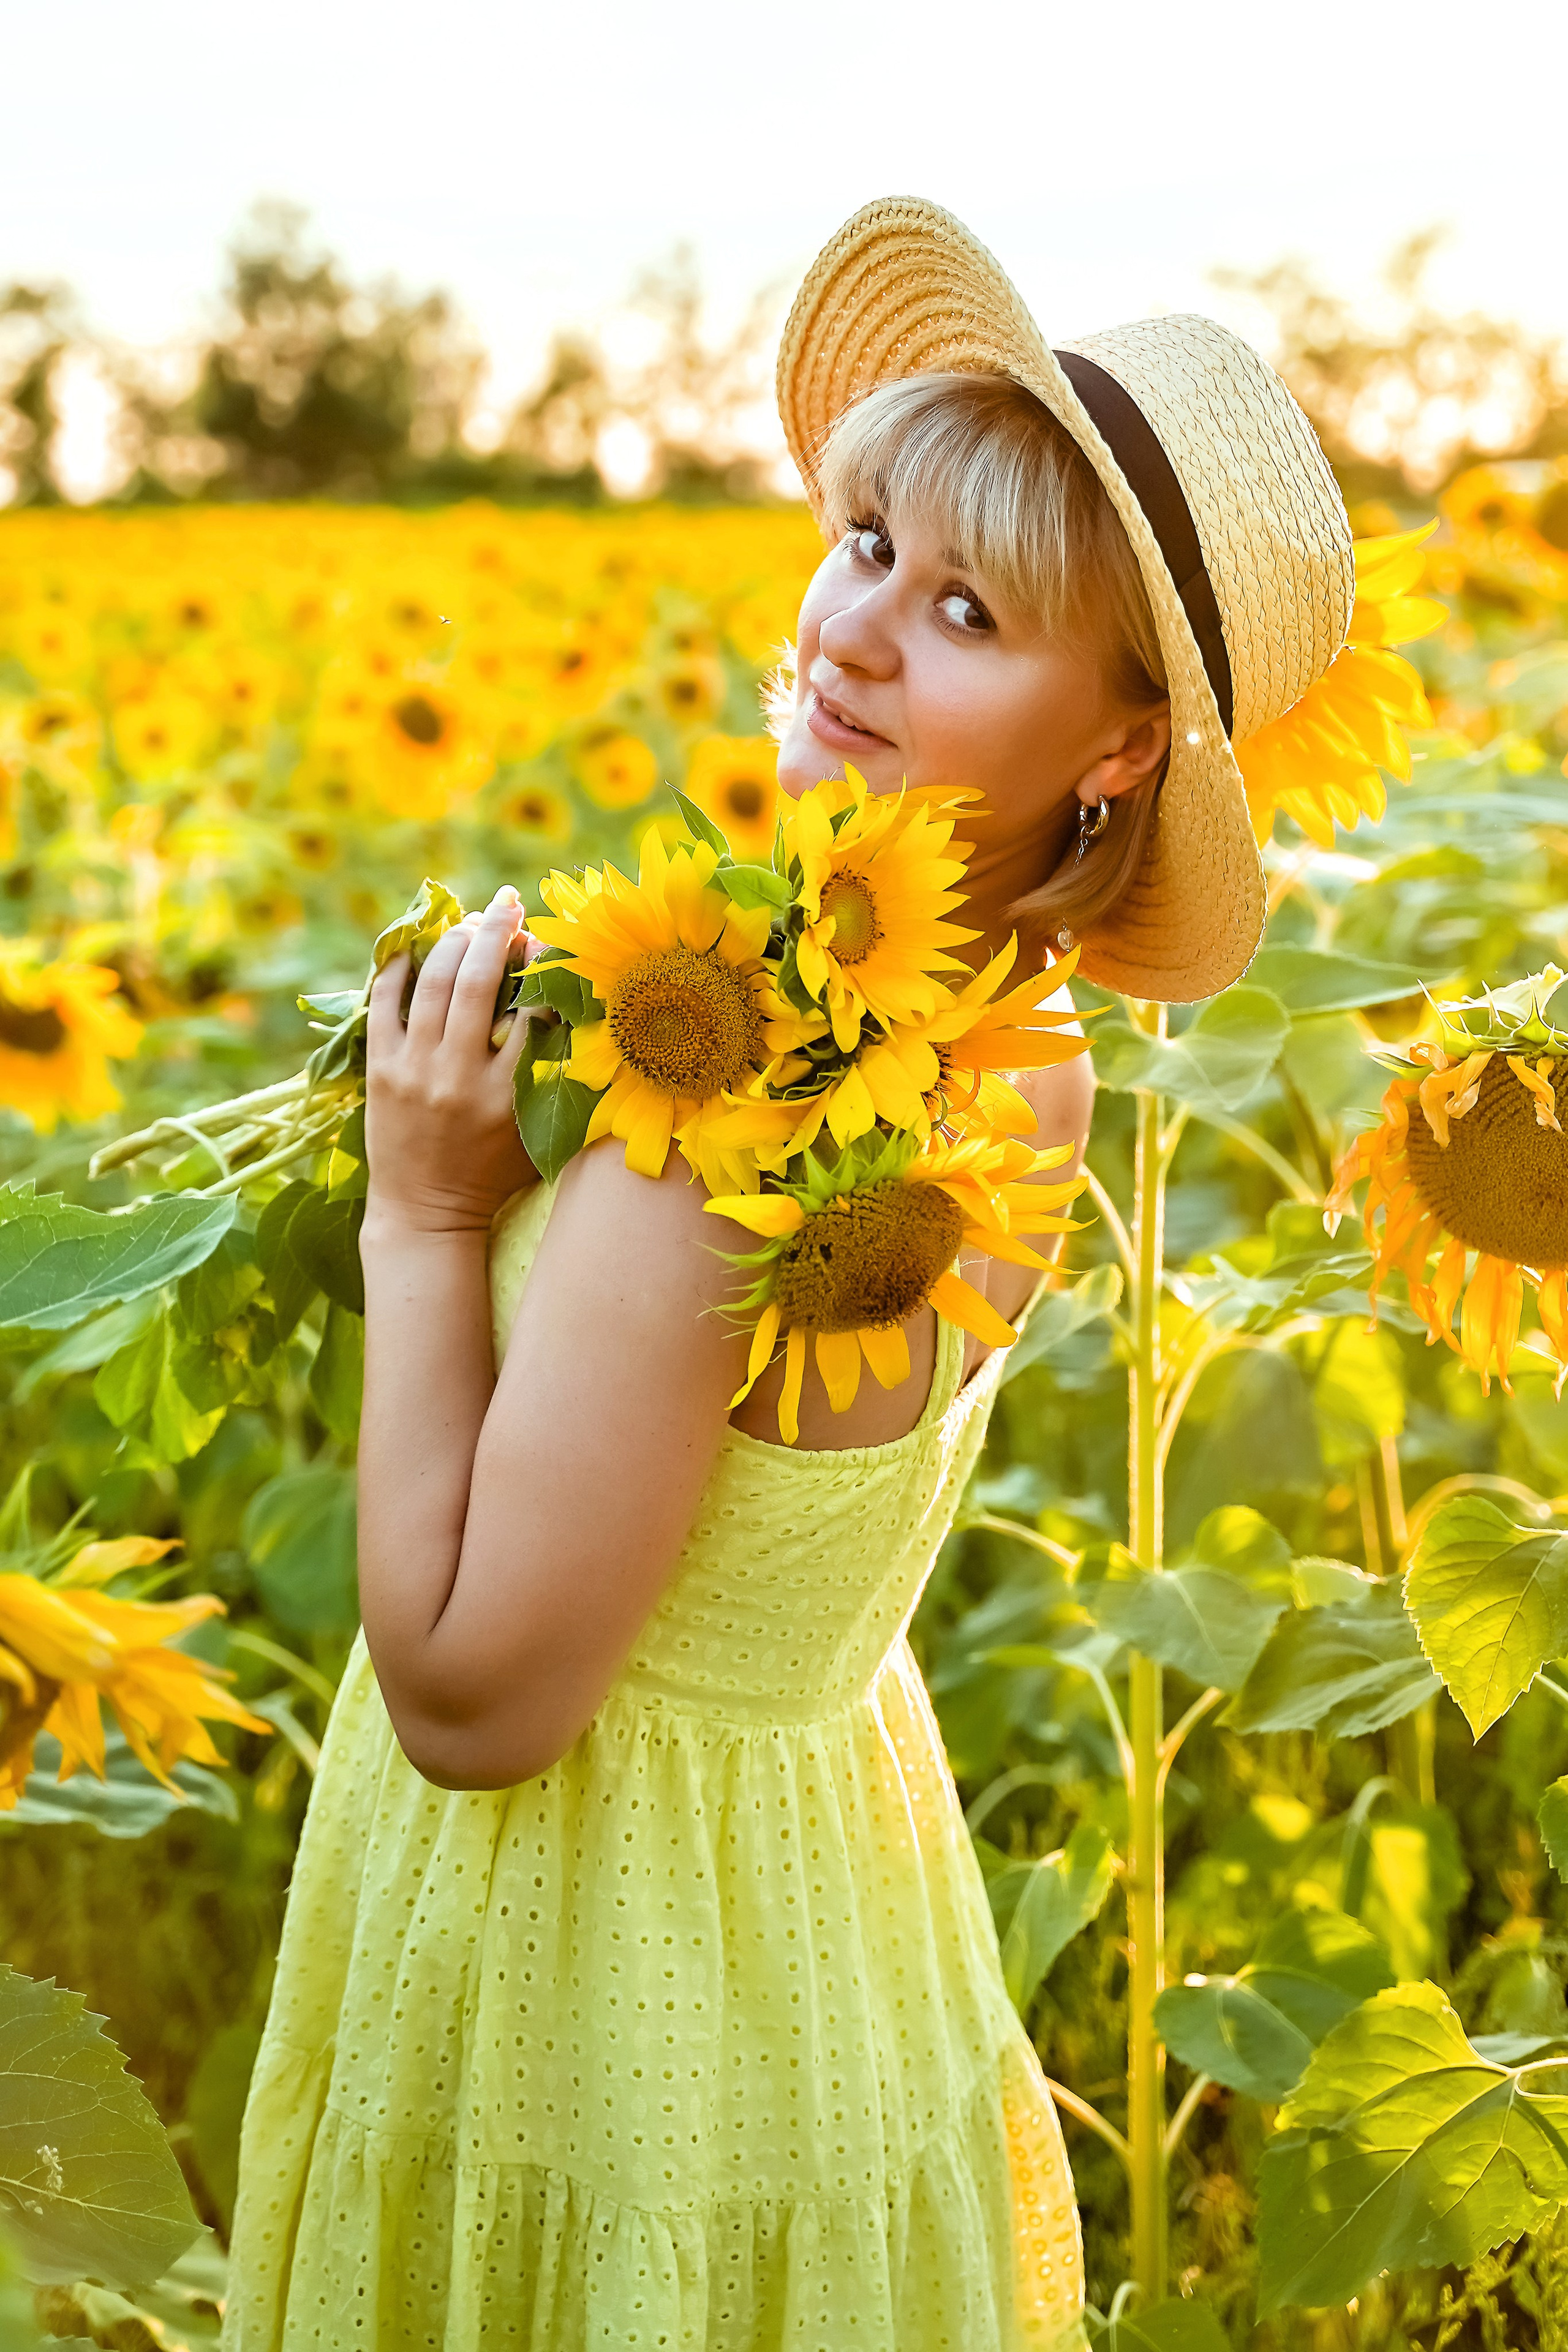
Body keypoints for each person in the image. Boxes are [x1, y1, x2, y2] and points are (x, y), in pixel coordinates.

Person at [223, 197, 1354, 2350]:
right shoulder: (1022, 1060)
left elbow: (472, 1695)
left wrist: (432, 1209)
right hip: (819, 1916)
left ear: (1119, 748)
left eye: (966, 606)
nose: (852, 633)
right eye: (865, 545)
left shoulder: (728, 1135)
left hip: (578, 1950)